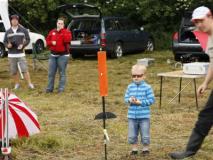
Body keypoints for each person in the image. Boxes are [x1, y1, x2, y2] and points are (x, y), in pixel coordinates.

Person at [169, 6, 213, 159]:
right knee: (205, 116)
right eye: (196, 22)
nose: (199, 24)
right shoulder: (209, 38)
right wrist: (206, 83)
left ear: (210, 17)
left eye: (202, 20)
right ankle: (188, 152)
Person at [124, 64, 155, 156]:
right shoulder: (130, 87)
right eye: (134, 76)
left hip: (144, 116)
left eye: (139, 76)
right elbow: (126, 99)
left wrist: (140, 102)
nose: (136, 78)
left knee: (145, 133)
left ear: (144, 76)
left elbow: (151, 100)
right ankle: (134, 149)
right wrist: (130, 100)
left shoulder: (147, 87)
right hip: (132, 116)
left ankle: (145, 149)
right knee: (132, 133)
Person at [3, 14, 34, 90]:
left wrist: (23, 45)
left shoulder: (23, 30)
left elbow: (28, 39)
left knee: (25, 69)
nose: (14, 21)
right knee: (14, 71)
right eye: (13, 20)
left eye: (16, 20)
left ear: (18, 21)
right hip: (11, 55)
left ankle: (29, 84)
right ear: (11, 21)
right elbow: (4, 41)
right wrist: (8, 46)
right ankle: (17, 84)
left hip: (21, 54)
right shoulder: (8, 31)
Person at [45, 17, 72, 93]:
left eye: (61, 24)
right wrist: (51, 42)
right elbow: (47, 41)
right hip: (53, 55)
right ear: (56, 23)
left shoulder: (67, 32)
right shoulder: (52, 31)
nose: (59, 25)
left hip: (63, 55)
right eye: (58, 23)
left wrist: (62, 31)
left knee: (61, 73)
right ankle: (49, 89)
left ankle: (61, 89)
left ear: (63, 25)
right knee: (51, 73)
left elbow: (67, 40)